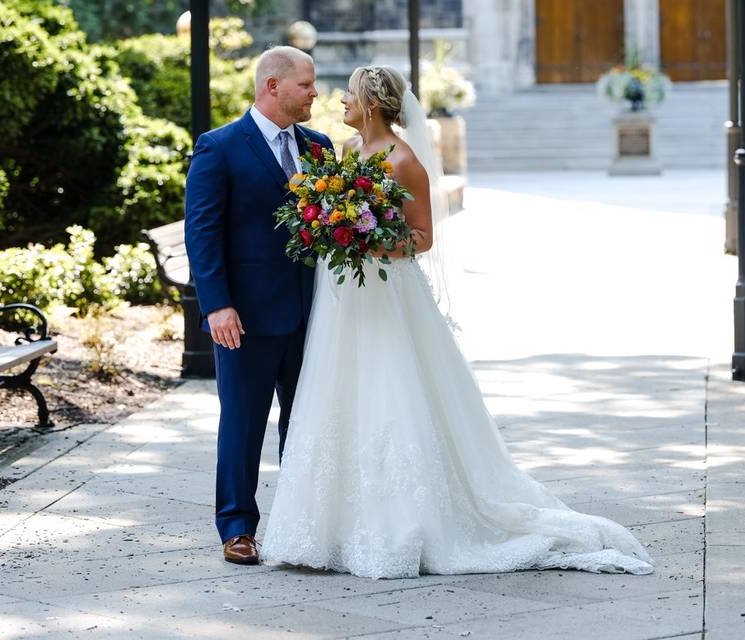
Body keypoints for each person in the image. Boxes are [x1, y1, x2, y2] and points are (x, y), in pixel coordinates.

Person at [261, 66, 654, 579]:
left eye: (350, 96)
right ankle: (329, 526)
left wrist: (367, 240)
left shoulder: (405, 161)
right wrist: (334, 229)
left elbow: (423, 237)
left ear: (372, 105)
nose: (340, 102)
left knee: (390, 392)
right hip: (343, 298)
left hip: (388, 295)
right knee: (337, 394)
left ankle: (404, 523)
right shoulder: (345, 155)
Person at [184, 46, 334, 565]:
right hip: (243, 318)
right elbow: (202, 234)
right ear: (273, 85)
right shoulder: (219, 147)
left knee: (306, 423)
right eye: (306, 85)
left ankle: (301, 521)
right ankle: (237, 528)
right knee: (243, 423)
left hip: (313, 315)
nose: (315, 93)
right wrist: (217, 306)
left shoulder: (319, 147)